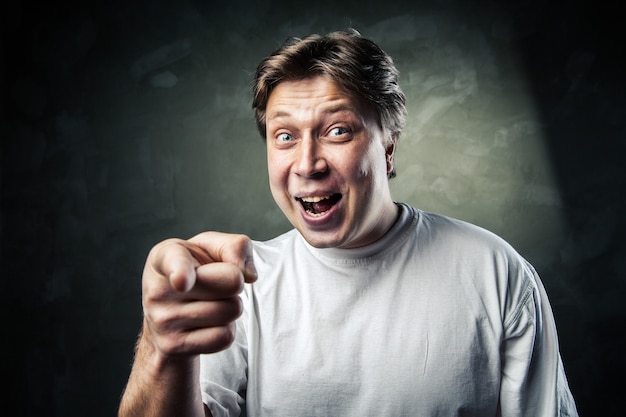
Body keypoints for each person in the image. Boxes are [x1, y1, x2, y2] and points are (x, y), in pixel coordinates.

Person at [118, 29, 579, 417]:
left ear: (389, 146)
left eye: (337, 130)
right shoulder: (236, 286)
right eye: (285, 136)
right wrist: (161, 350)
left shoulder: (495, 274)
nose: (307, 164)